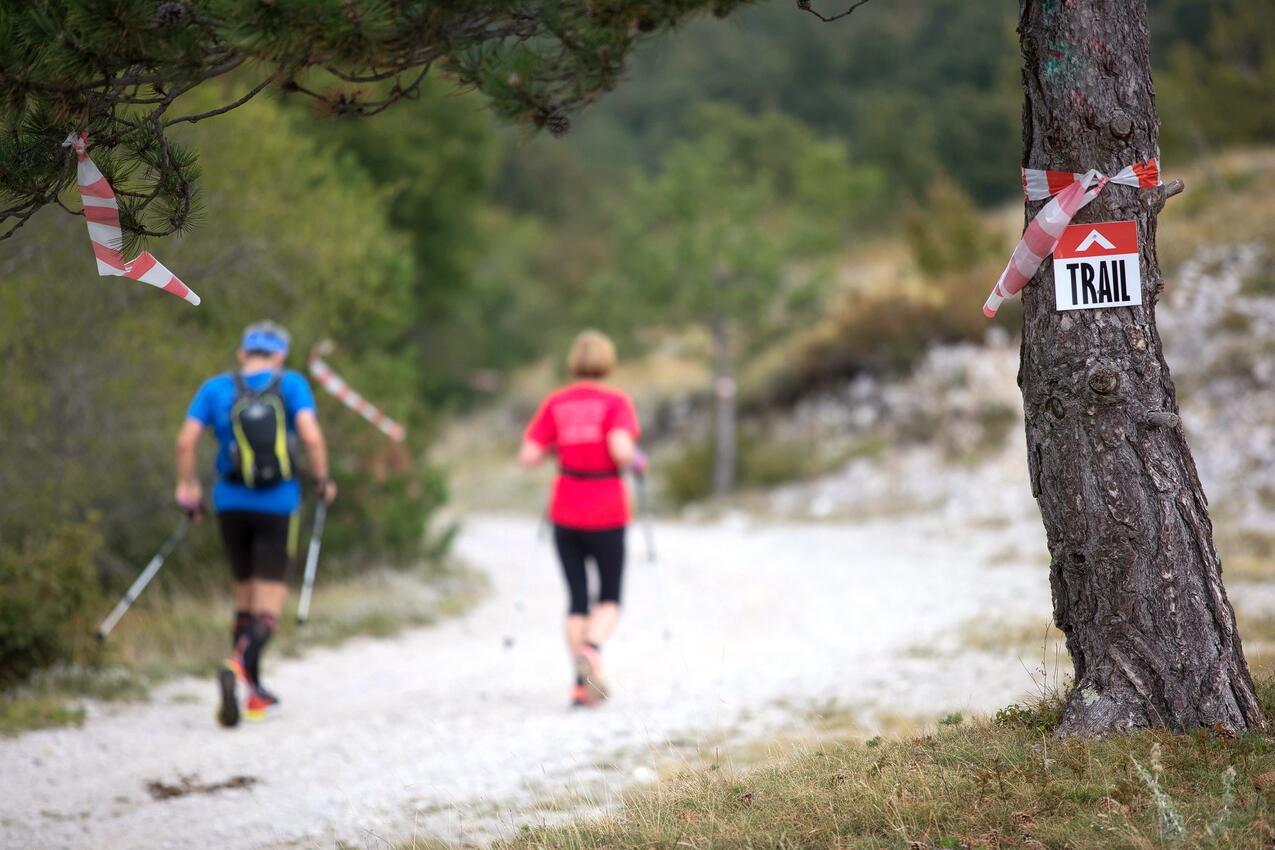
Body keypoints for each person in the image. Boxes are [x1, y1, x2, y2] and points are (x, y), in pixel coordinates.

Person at [175, 321, 337, 726]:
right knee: (267, 611)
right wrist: (322, 480)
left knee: (243, 602)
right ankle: (237, 666)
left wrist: (187, 487)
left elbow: (185, 441)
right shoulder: (292, 383)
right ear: (279, 354)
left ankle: (253, 693)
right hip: (278, 504)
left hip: (230, 503)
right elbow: (312, 438)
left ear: (241, 352)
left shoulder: (214, 388)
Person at [519, 330, 646, 708]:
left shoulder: (555, 402)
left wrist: (562, 446)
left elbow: (528, 456)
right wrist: (640, 461)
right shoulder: (616, 402)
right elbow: (622, 451)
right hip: (607, 508)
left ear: (574, 361)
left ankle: (580, 685)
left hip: (566, 508)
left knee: (576, 600)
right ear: (608, 362)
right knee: (609, 597)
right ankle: (591, 651)